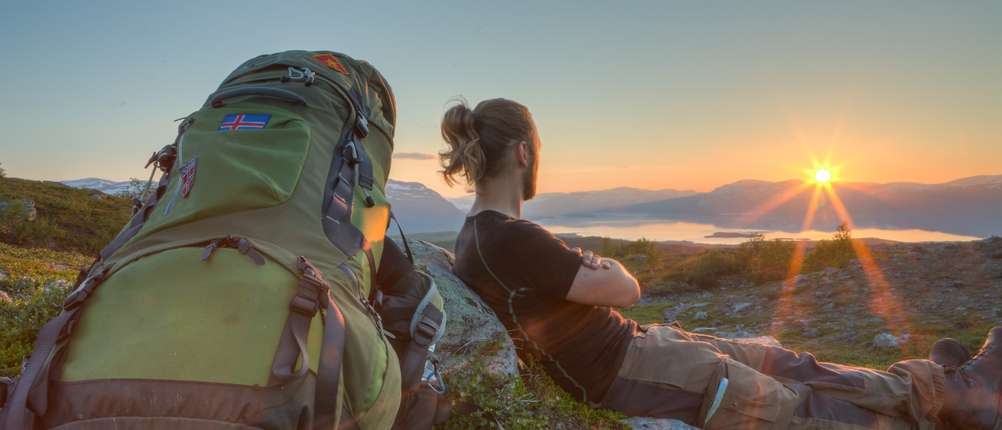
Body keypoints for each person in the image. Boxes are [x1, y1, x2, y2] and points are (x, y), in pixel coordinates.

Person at [437, 97, 1001, 429]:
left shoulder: (477, 236)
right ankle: (961, 398)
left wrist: (589, 272)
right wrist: (606, 267)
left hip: (641, 347)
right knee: (794, 406)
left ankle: (943, 385)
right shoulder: (512, 237)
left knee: (784, 360)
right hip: (628, 369)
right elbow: (625, 289)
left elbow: (575, 292)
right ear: (524, 152)